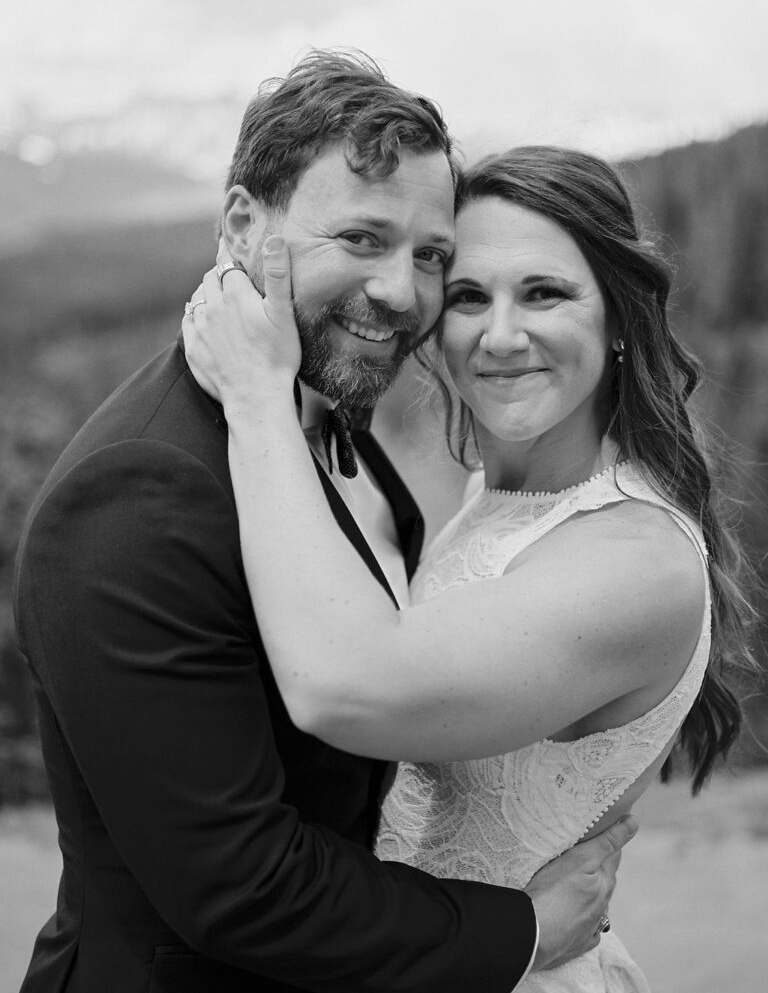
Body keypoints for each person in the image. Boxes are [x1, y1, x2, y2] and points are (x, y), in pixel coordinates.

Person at [12, 55, 633, 993]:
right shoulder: (140, 490)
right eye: (360, 237)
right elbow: (239, 884)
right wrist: (526, 932)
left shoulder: (329, 424)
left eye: (430, 255)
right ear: (242, 226)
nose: (401, 292)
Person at [181, 144, 753, 991]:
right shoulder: (502, 492)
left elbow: (345, 685)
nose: (501, 335)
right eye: (467, 297)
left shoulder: (637, 560)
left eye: (546, 293)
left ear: (619, 319)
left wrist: (257, 398)